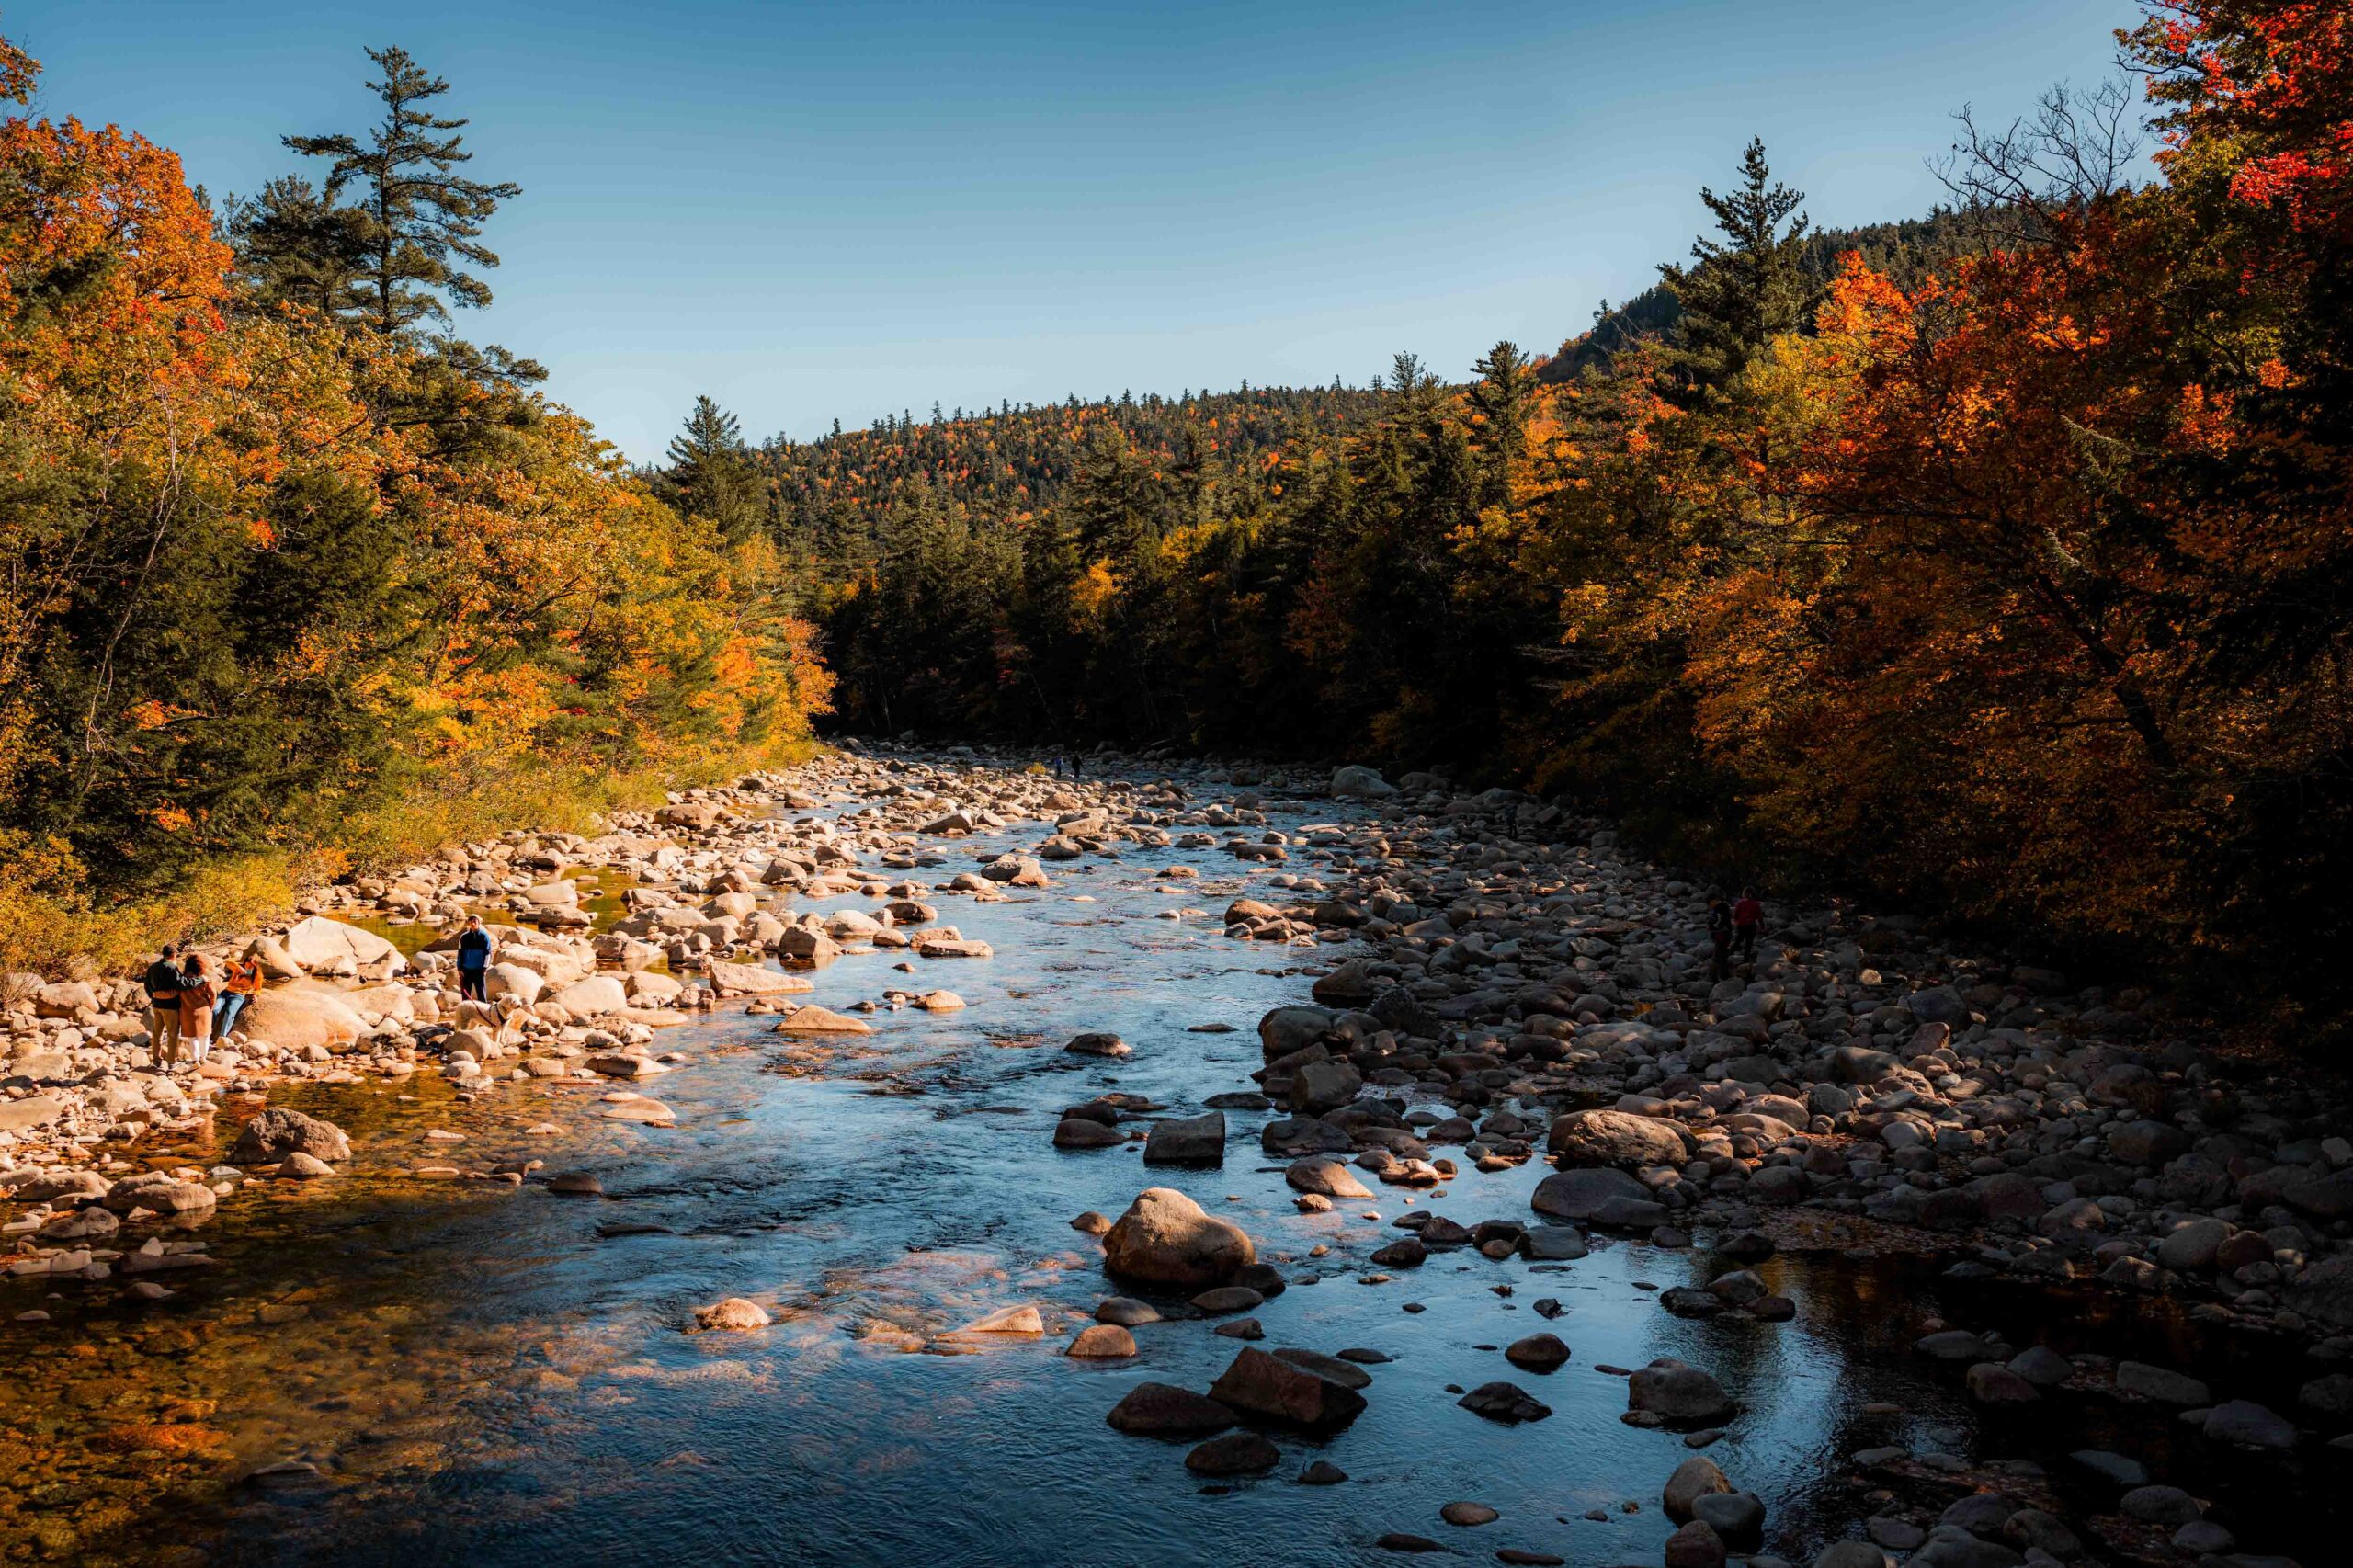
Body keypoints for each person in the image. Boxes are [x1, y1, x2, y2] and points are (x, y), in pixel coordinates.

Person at [142, 944, 185, 1069]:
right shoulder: (172, 967)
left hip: (156, 1005)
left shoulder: (153, 967)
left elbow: (147, 985)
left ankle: (156, 1060)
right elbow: (180, 985)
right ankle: (172, 1062)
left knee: (157, 1033)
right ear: (174, 954)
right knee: (173, 1034)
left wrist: (154, 996)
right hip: (171, 1007)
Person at [176, 954, 217, 1067]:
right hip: (204, 1009)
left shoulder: (183, 980)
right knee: (205, 1035)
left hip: (187, 1010)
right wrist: (211, 1006)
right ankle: (203, 1057)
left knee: (192, 1037)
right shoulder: (204, 979)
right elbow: (213, 993)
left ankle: (195, 1060)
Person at [215, 952, 261, 1042]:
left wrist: (255, 995)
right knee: (215, 1010)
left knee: (229, 1013)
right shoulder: (237, 968)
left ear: (255, 966)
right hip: (226, 992)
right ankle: (207, 1034)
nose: (248, 968)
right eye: (247, 965)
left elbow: (258, 988)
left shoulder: (256, 975)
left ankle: (222, 1038)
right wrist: (238, 967)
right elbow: (227, 961)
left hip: (238, 996)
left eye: (251, 966)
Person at [456, 915, 494, 1001]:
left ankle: (484, 1012)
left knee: (481, 995)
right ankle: (466, 1012)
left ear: (479, 923)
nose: (473, 923)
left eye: (474, 921)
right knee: (465, 996)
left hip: (479, 970)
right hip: (466, 970)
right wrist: (459, 968)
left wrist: (485, 968)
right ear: (468, 923)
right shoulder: (464, 937)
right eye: (471, 921)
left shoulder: (484, 937)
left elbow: (488, 954)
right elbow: (460, 953)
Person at [1706, 892, 1733, 982]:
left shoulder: (1719, 908)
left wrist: (1710, 926)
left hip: (1721, 934)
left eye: (1709, 903)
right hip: (1726, 933)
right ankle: (1718, 976)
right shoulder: (1725, 906)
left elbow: (1719, 922)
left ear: (1712, 901)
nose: (1710, 906)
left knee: (1719, 955)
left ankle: (1722, 977)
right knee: (1721, 954)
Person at [1733, 885, 1764, 965]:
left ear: (1744, 893)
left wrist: (1737, 922)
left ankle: (1728, 953)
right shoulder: (1756, 904)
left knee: (1737, 941)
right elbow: (1759, 917)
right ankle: (1746, 960)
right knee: (1748, 944)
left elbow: (1735, 916)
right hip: (1751, 926)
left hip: (1741, 926)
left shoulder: (1740, 903)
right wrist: (1762, 927)